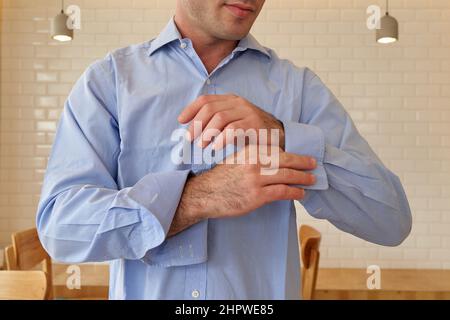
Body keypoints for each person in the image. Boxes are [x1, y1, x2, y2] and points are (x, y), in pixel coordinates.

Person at [36, 0, 412, 299]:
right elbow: (61, 228)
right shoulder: (110, 83)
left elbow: (389, 219)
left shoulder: (297, 88)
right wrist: (196, 198)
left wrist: (282, 135)